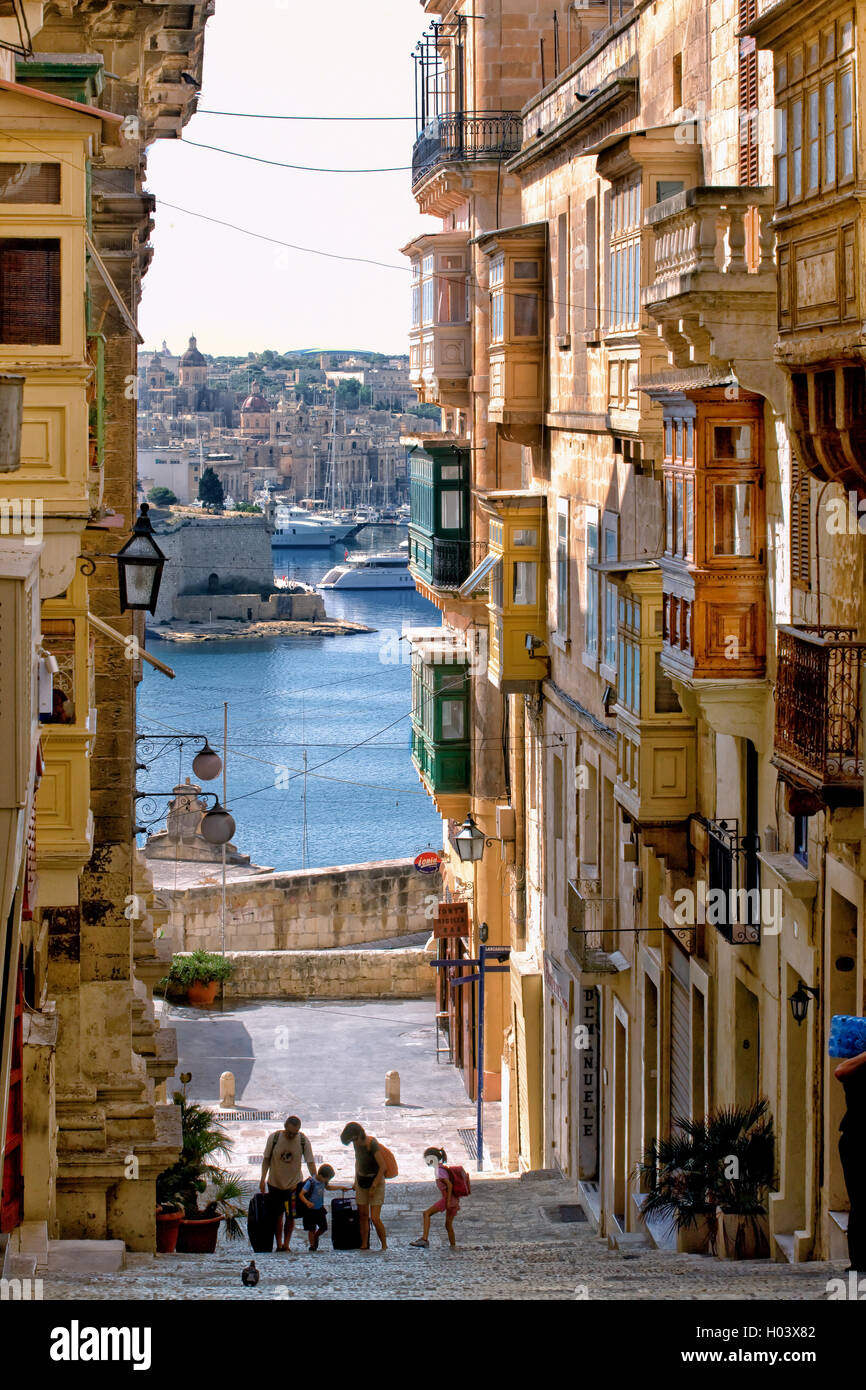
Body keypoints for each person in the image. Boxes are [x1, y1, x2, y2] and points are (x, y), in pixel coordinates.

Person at [259, 1115, 317, 1252]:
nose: (292, 1135)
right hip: (275, 1183)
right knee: (277, 1216)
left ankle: (286, 1244)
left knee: (291, 1216)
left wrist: (315, 1181)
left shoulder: (303, 1140)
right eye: (290, 1132)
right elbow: (266, 1159)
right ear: (285, 1127)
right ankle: (278, 1244)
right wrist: (262, 1179)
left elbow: (310, 1162)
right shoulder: (274, 1138)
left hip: (294, 1185)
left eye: (295, 1133)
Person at [834, 1048, 866, 1272]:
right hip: (857, 1140)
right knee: (860, 1199)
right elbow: (839, 1071)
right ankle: (859, 1259)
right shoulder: (855, 1066)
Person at [340, 1122, 387, 1251]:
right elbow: (358, 1161)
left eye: (354, 1139)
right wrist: (355, 1180)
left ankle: (384, 1245)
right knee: (363, 1216)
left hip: (376, 1181)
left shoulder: (371, 1143)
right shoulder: (356, 1143)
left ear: (360, 1134)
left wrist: (374, 1186)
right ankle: (364, 1244)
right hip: (362, 1181)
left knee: (375, 1218)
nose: (354, 1142)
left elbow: (383, 1166)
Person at [410, 1147, 460, 1249]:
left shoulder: (439, 1171)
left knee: (426, 1213)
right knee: (448, 1225)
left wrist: (448, 1201)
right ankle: (453, 1246)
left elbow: (449, 1185)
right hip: (453, 1200)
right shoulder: (441, 1169)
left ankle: (424, 1240)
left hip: (448, 1199)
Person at [297, 1163, 351, 1252]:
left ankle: (316, 1236)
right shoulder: (311, 1182)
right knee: (311, 1229)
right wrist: (307, 1202)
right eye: (327, 1179)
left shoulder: (323, 1182)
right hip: (310, 1210)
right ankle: (312, 1246)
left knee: (323, 1227)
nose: (327, 1181)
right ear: (321, 1176)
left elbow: (329, 1188)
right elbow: (301, 1194)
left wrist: (340, 1187)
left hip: (319, 1208)